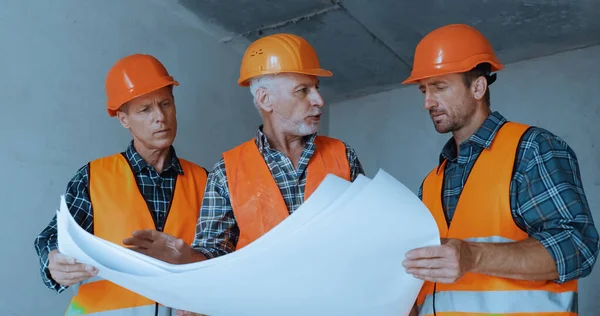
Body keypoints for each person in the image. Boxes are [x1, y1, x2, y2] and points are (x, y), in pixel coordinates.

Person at [122, 33, 364, 316]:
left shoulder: (343, 157)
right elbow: (214, 258)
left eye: (316, 88)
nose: (319, 100)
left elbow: (369, 242)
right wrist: (187, 259)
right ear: (265, 99)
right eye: (303, 90)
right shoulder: (228, 171)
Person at [400, 23, 599, 315]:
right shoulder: (432, 183)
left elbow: (577, 248)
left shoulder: (532, 149)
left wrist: (473, 256)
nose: (427, 102)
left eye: (439, 87)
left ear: (478, 87)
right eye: (423, 90)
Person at [33, 54, 209, 315]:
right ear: (123, 119)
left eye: (165, 104)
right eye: (145, 110)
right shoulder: (93, 177)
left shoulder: (205, 181)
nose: (160, 117)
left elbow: (223, 258)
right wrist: (54, 261)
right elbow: (52, 238)